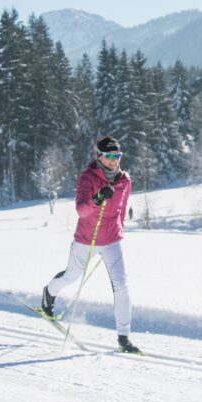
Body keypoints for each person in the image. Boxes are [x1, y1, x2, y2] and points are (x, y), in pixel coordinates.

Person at [40, 136, 140, 353]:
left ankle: (124, 338)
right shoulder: (88, 178)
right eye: (110, 156)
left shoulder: (125, 180)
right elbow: (81, 210)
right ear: (99, 156)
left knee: (121, 286)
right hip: (87, 238)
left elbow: (121, 210)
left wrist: (120, 228)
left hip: (112, 239)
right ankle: (49, 292)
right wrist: (97, 198)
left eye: (118, 156)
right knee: (71, 277)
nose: (115, 160)